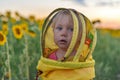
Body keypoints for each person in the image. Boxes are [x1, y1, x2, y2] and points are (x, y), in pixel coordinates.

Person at [36, 8, 97, 80]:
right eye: (59, 28)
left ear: (81, 36)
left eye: (72, 29)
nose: (63, 33)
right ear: (53, 31)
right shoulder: (49, 56)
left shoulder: (81, 59)